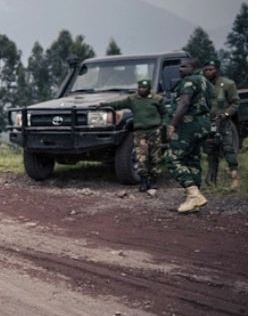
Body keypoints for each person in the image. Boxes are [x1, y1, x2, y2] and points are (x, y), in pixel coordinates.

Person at [166, 58, 215, 213]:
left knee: (173, 158)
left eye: (184, 66)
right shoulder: (205, 81)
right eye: (179, 67)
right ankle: (193, 201)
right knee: (192, 159)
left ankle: (193, 195)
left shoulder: (189, 82)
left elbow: (184, 103)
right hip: (203, 124)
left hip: (189, 124)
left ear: (194, 67)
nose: (180, 69)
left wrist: (172, 124)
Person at [99, 79, 164, 194]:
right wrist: (102, 105)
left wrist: (164, 125)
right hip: (140, 132)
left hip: (154, 131)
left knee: (155, 157)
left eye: (144, 88)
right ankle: (143, 181)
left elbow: (165, 113)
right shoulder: (132, 99)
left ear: (149, 88)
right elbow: (118, 104)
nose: (142, 90)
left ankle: (153, 181)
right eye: (140, 88)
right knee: (141, 157)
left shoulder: (157, 99)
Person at [202, 61, 240, 189]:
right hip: (208, 123)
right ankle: (211, 180)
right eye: (206, 69)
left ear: (217, 70)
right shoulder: (202, 85)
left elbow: (235, 103)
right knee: (211, 151)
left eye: (211, 69)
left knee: (228, 148)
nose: (208, 72)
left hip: (223, 122)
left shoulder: (227, 84)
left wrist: (226, 114)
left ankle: (235, 178)